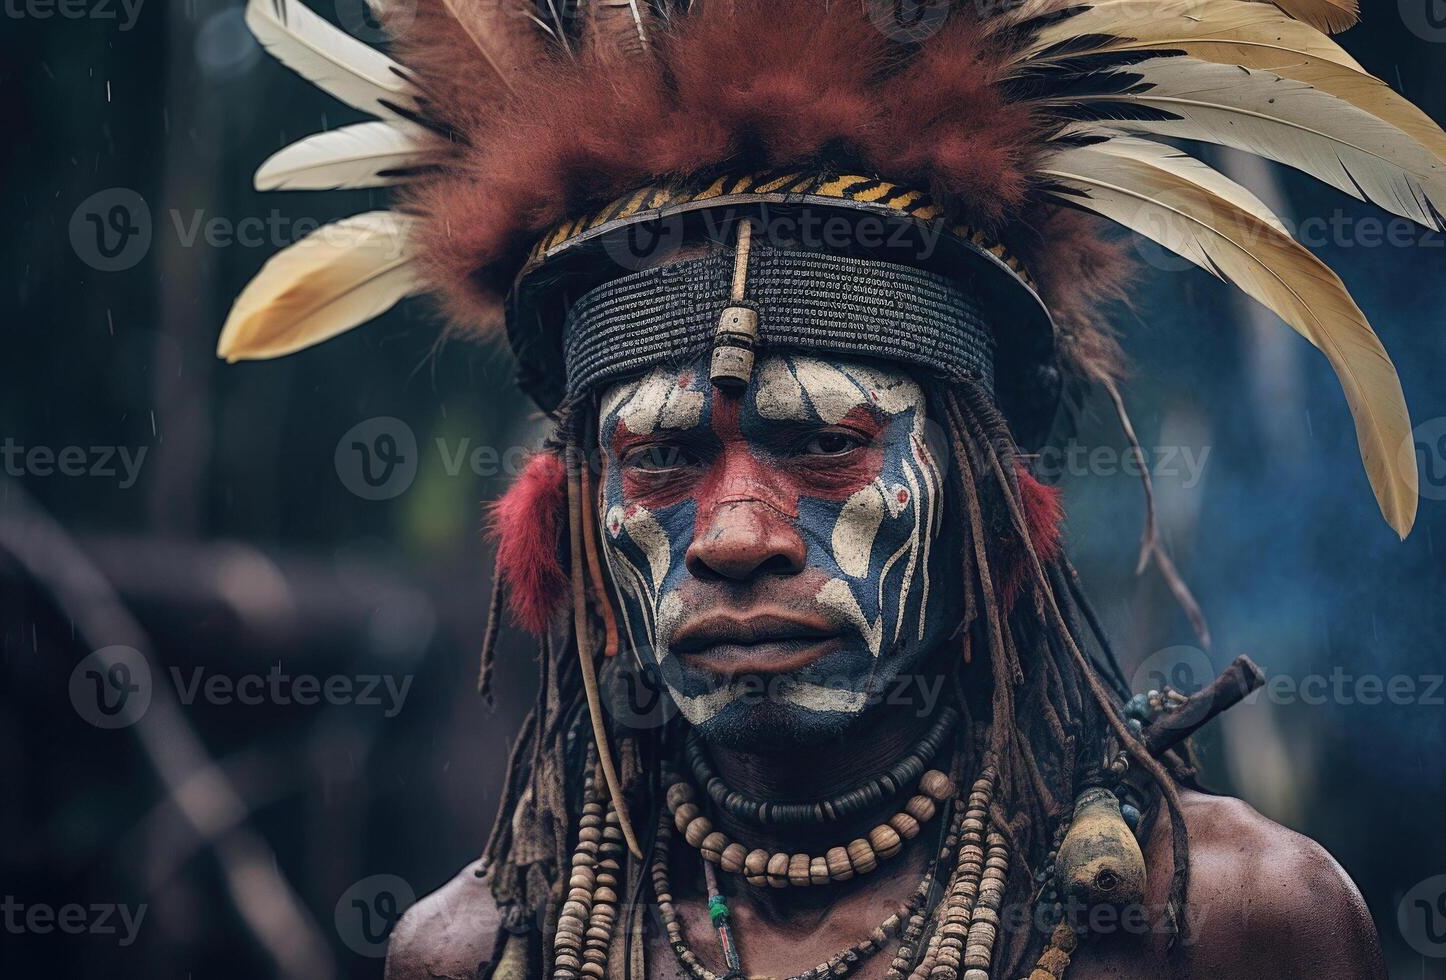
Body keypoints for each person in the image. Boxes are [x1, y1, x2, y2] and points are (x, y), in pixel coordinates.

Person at [219, 0, 1432, 975]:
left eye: (824, 446)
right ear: (566, 527)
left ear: (988, 505)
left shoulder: (1234, 924)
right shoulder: (478, 952)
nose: (738, 535)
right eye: (665, 458)